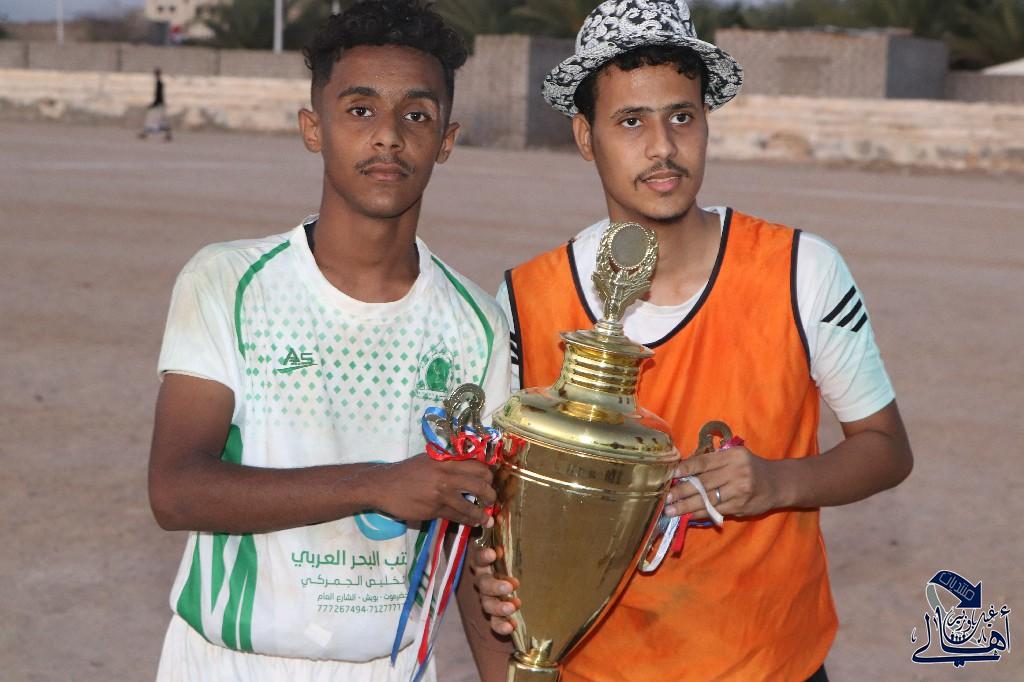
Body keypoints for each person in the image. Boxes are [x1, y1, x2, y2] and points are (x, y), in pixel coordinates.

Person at [468, 1, 913, 680]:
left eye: (682, 116)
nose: (663, 148)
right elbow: (491, 493)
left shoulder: (801, 270)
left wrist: (778, 482)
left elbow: (885, 449)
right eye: (631, 122)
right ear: (585, 136)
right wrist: (490, 567)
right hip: (591, 668)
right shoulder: (524, 301)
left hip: (771, 665)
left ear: (706, 121)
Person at [147, 2, 509, 680]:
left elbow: (470, 535)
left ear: (447, 139)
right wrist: (376, 485)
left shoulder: (477, 325)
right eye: (360, 110)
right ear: (313, 128)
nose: (389, 136)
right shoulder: (228, 282)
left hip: (388, 667)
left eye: (417, 115)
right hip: (229, 665)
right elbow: (176, 490)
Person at [140, 68, 172, 141]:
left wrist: (153, 104)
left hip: (158, 104)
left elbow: (158, 96)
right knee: (160, 120)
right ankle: (145, 133)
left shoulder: (159, 84)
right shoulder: (159, 83)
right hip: (159, 104)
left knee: (152, 119)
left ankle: (144, 133)